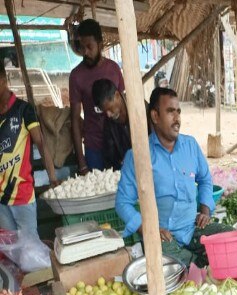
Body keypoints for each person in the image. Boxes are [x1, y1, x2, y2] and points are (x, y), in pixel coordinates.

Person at [115, 88, 232, 266]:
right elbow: (122, 202)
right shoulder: (139, 155)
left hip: (194, 229)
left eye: (178, 112)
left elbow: (205, 179)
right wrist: (148, 230)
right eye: (170, 112)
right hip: (163, 238)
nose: (177, 119)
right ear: (155, 116)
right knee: (176, 263)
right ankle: (198, 265)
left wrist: (205, 211)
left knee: (230, 238)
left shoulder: (190, 146)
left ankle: (198, 265)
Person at [0, 64, 57, 237]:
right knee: (10, 250)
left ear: (3, 81)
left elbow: (41, 143)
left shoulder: (23, 110)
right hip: (1, 200)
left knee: (29, 250)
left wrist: (53, 177)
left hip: (22, 194)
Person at [69, 19, 124, 173]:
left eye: (89, 47)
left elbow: (125, 105)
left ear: (100, 45)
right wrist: (82, 162)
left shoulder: (113, 69)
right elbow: (74, 118)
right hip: (94, 148)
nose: (85, 52)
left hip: (118, 143)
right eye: (82, 47)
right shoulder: (76, 76)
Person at [92, 78, 150, 171]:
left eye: (110, 109)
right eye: (104, 111)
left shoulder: (140, 109)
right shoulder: (108, 122)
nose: (108, 114)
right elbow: (109, 158)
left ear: (117, 95)